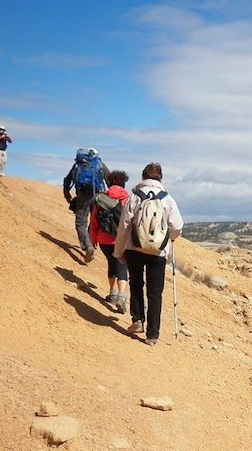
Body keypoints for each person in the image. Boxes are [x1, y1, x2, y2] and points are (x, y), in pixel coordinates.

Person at [114, 163, 183, 346]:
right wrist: (168, 238)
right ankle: (152, 335)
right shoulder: (167, 198)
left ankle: (137, 320)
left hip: (134, 248)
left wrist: (119, 250)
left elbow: (124, 225)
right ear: (160, 177)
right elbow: (176, 227)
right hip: (158, 251)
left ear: (143, 176)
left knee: (136, 284)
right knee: (155, 292)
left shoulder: (135, 196)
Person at [89, 170, 130, 312]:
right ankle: (121, 296)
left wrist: (92, 239)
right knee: (122, 265)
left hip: (103, 239)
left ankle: (112, 294)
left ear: (109, 183)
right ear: (124, 183)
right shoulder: (127, 198)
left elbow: (93, 221)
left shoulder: (101, 198)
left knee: (111, 264)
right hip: (121, 239)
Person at [63, 148, 110, 263]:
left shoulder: (77, 165)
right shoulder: (99, 164)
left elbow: (67, 180)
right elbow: (110, 180)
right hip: (98, 196)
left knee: (80, 223)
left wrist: (67, 194)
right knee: (95, 221)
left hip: (82, 196)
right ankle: (92, 244)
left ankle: (87, 245)